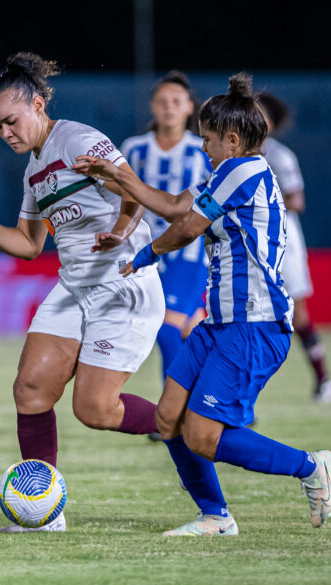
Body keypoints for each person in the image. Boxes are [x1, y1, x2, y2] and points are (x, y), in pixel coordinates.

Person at [73, 72, 331, 536]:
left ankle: (310, 466)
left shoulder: (246, 169)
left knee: (201, 434)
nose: (202, 147)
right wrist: (115, 175)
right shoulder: (228, 172)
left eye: (208, 139)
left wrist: (146, 254)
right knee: (167, 417)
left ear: (232, 140)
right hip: (220, 323)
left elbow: (187, 228)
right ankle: (215, 517)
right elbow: (175, 205)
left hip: (253, 325)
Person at [0, 52, 166, 533]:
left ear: (38, 104)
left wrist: (122, 231)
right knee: (31, 389)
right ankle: (43, 514)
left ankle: (182, 422)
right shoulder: (33, 171)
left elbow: (134, 192)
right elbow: (28, 244)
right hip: (75, 287)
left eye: (10, 121)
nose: (5, 133)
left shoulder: (79, 139)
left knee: (95, 409)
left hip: (121, 284)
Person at [119, 71, 212, 440]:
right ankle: (217, 406)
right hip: (147, 251)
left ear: (190, 107)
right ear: (152, 107)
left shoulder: (203, 149)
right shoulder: (134, 148)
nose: (169, 108)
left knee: (167, 326)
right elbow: (123, 195)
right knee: (193, 331)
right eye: (162, 101)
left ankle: (171, 416)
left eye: (176, 101)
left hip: (189, 254)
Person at [257, 91, 331, 404]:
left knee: (297, 316)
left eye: (261, 115)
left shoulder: (279, 155)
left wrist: (261, 200)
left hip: (285, 242)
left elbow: (297, 200)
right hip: (250, 243)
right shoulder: (233, 155)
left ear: (272, 124)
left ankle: (323, 377)